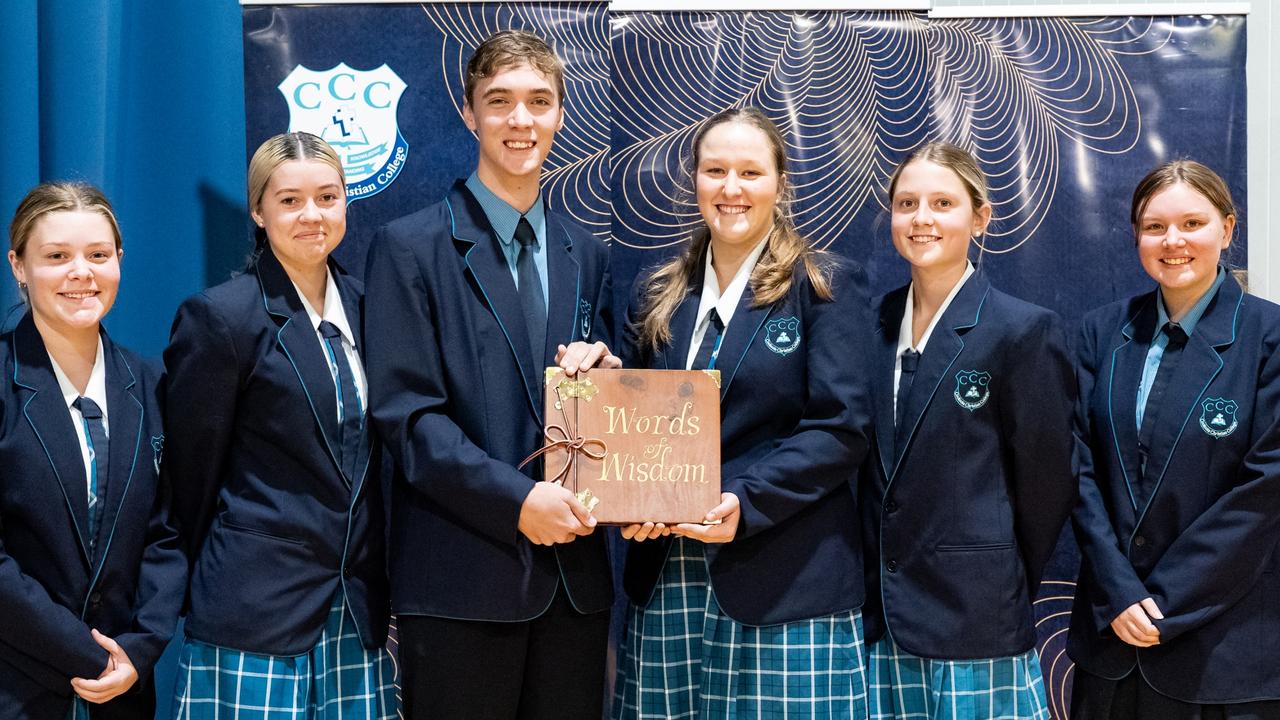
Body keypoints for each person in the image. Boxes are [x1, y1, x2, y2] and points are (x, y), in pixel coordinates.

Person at [364, 29, 614, 719]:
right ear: (469, 114)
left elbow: (600, 411)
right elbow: (407, 419)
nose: (520, 120)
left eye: (539, 101)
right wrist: (517, 502)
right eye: (498, 101)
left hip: (575, 591)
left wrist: (612, 380)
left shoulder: (584, 254)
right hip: (461, 588)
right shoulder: (408, 247)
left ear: (561, 114)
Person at [604, 106, 874, 719]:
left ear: (780, 184)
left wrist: (744, 502)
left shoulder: (823, 285)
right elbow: (627, 426)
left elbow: (842, 428)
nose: (731, 188)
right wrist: (627, 489)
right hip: (666, 574)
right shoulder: (658, 293)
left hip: (782, 574)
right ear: (694, 180)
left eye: (750, 172)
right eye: (715, 170)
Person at [165, 132, 395, 719]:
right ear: (258, 212)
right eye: (289, 200)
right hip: (255, 613)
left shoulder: (375, 309)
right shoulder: (222, 318)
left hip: (353, 611)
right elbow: (189, 478)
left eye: (327, 196)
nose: (312, 215)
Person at [861, 142, 1075, 719]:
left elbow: (1048, 482)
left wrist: (994, 565)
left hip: (975, 612)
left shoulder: (1022, 330)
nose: (921, 219)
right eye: (907, 203)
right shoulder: (869, 322)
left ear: (980, 217)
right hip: (880, 614)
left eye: (942, 203)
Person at [1068, 160, 1280, 719]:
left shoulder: (1271, 339)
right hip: (1111, 643)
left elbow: (1264, 491)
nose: (1173, 241)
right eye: (1155, 226)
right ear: (1136, 235)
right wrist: (1119, 591)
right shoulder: (1097, 333)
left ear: (1228, 229)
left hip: (1225, 650)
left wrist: (1165, 600)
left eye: (1193, 223)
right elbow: (1077, 468)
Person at [0, 182, 185, 719]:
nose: (81, 272)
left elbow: (169, 533)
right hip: (17, 683)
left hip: (125, 688)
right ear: (18, 265)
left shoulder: (151, 383)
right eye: (56, 256)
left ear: (119, 261)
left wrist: (140, 649)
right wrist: (86, 654)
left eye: (98, 255)